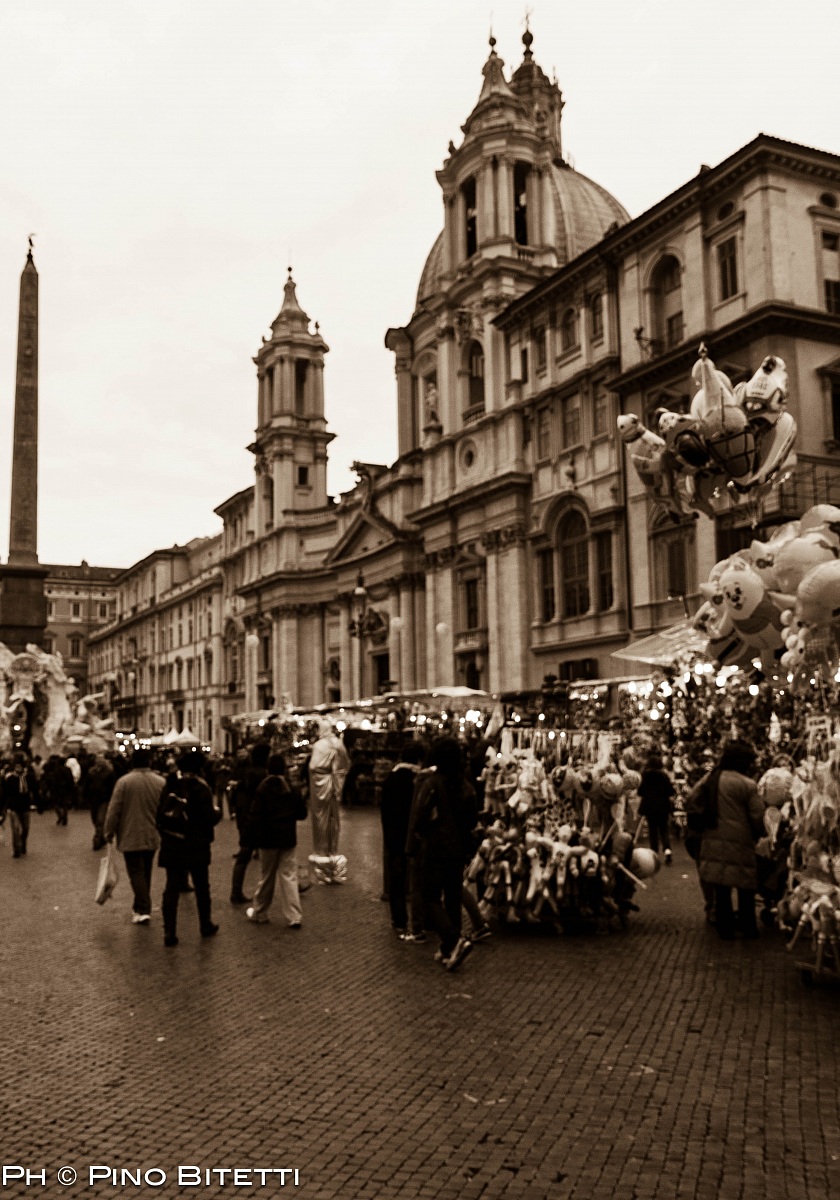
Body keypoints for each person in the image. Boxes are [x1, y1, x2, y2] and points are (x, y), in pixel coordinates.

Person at [406, 737, 476, 971]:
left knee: (429, 897)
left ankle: (452, 939)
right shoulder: (465, 785)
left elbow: (419, 817)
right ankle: (449, 950)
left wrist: (423, 833)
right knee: (453, 897)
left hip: (436, 847)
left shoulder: (432, 783)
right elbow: (471, 819)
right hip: (459, 848)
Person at [687, 739, 764, 941]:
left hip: (712, 835)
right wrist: (760, 833)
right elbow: (757, 816)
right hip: (741, 838)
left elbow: (692, 797)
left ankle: (725, 926)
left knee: (721, 885)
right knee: (745, 884)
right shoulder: (748, 785)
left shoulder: (711, 778)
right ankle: (748, 926)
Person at [157, 750, 222, 947]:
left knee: (172, 888)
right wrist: (217, 814)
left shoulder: (170, 784)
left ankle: (169, 931)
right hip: (196, 844)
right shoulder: (201, 787)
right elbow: (208, 817)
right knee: (202, 886)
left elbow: (160, 812)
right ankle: (205, 924)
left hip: (173, 843)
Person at [103, 748, 164, 924]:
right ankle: (139, 907)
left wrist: (108, 831)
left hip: (130, 834)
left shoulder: (124, 782)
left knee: (136, 873)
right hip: (152, 834)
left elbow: (114, 810)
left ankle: (144, 908)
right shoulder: (160, 782)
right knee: (145, 872)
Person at [245, 754, 307, 926]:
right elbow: (302, 813)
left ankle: (260, 912)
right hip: (288, 838)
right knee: (289, 876)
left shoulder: (263, 788)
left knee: (267, 877)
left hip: (268, 838)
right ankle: (294, 916)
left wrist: (251, 835)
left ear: (268, 769)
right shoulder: (291, 788)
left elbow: (255, 815)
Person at [380, 742, 426, 940]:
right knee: (418, 881)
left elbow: (384, 810)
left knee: (397, 881)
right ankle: (421, 921)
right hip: (417, 837)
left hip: (395, 836)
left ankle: (399, 920)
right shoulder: (421, 781)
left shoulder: (391, 779)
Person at [308, 720, 350, 883]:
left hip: (320, 787)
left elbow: (313, 766)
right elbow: (344, 765)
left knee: (320, 819)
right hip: (333, 787)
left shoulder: (319, 745)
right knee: (333, 819)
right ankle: (332, 851)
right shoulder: (338, 744)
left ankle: (322, 851)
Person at [230, 742, 271, 904]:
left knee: (244, 856)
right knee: (278, 856)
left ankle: (236, 890)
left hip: (248, 818)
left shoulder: (248, 774)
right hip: (257, 819)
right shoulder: (263, 776)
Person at [638, 753, 676, 863]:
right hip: (663, 806)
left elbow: (640, 792)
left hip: (649, 807)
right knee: (664, 829)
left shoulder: (645, 775)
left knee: (652, 830)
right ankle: (667, 849)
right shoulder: (664, 776)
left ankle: (654, 853)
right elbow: (670, 791)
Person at [1, 753, 39, 857]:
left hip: (25, 806)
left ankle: (23, 843)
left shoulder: (29, 777)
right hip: (13, 806)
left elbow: (35, 791)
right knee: (15, 828)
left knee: (26, 828)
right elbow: (4, 794)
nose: (18, 768)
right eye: (16, 766)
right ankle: (16, 849)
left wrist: (38, 804)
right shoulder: (10, 778)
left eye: (20, 766)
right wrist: (2, 808)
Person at [85, 754, 116, 851]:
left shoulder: (109, 772)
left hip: (104, 799)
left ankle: (97, 839)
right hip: (93, 799)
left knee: (100, 819)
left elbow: (112, 786)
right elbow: (87, 784)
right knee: (95, 819)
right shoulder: (91, 772)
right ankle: (101, 836)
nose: (99, 762)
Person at [42, 754, 76, 826]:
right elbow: (70, 779)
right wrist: (71, 788)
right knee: (64, 804)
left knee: (55, 803)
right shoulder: (67, 769)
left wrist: (48, 788)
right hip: (65, 789)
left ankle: (60, 816)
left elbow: (52, 780)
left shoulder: (55, 770)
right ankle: (65, 817)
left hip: (56, 789)